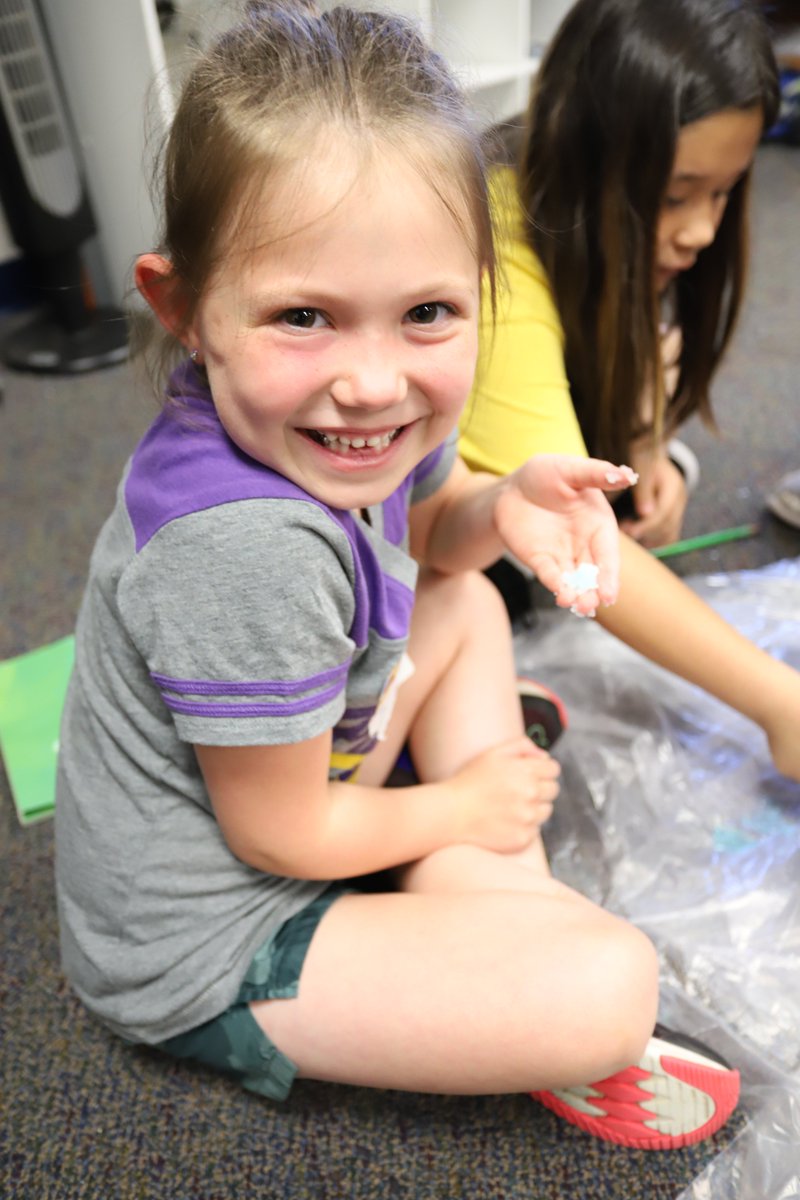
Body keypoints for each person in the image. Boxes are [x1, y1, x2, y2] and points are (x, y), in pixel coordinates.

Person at [55, 1, 741, 1151]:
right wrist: (461, 805)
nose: (373, 384)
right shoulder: (243, 549)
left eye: (427, 312)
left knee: (465, 599)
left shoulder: (365, 413)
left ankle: (475, 895)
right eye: (302, 318)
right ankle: (474, 884)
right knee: (607, 987)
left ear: (478, 288)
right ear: (183, 310)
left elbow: (432, 541)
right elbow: (278, 841)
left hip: (312, 774)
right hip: (218, 934)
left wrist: (497, 501)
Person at [461, 0, 780, 550]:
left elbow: (635, 376)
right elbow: (558, 522)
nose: (702, 232)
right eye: (676, 196)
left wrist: (660, 455)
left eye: (723, 191)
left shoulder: (624, 234)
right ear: (591, 160)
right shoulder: (498, 240)